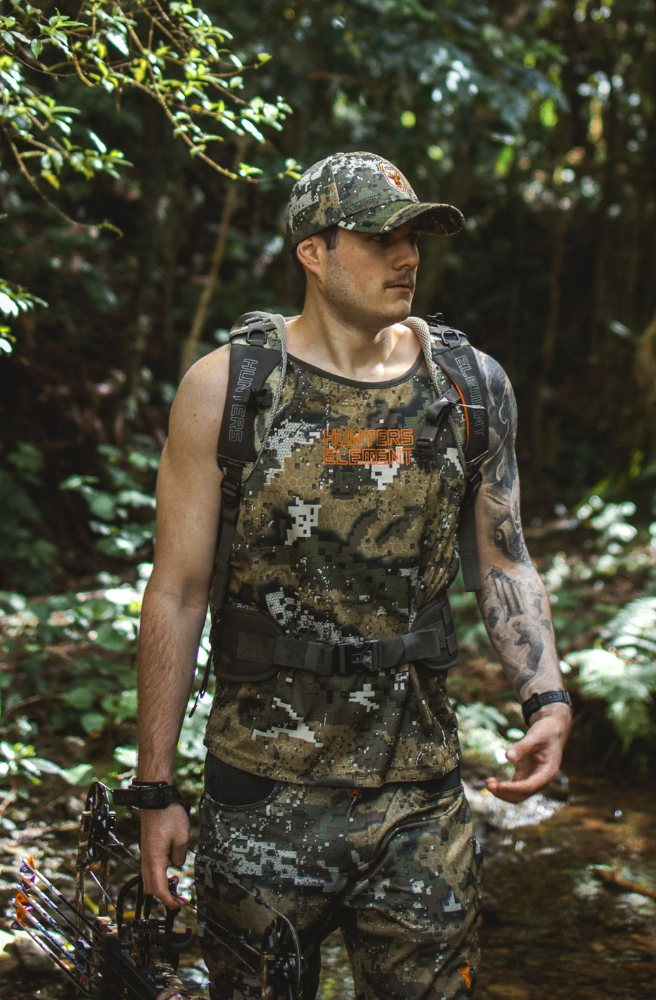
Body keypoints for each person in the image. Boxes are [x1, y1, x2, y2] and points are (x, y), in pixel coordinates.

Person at [134, 151, 572, 1000]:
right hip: (262, 791)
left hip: (419, 794)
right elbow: (177, 593)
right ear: (314, 251)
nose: (406, 258)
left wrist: (546, 697)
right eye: (379, 239)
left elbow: (504, 557)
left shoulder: (470, 386)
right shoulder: (229, 389)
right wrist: (156, 790)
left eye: (415, 239)